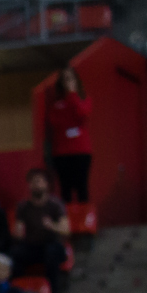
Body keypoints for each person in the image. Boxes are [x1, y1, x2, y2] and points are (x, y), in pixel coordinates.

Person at [46, 66, 93, 203]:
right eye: (65, 79)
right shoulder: (56, 103)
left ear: (75, 80)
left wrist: (72, 95)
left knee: (82, 187)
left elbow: (81, 115)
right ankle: (66, 222)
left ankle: (84, 222)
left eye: (70, 79)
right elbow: (56, 122)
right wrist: (69, 116)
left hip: (81, 151)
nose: (68, 82)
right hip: (61, 153)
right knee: (65, 189)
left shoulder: (84, 99)